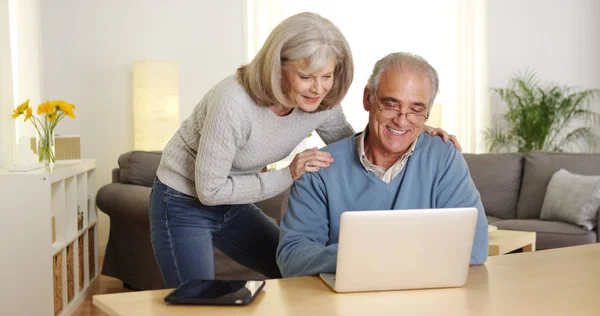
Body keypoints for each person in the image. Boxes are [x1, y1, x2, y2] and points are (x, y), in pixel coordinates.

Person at [149, 12, 459, 288]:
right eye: (306, 76)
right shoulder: (232, 104)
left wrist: (411, 129)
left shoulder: (321, 103)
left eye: (327, 76)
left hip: (235, 198)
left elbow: (353, 147)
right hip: (183, 200)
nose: (319, 88)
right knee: (193, 302)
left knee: (292, 270)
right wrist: (289, 174)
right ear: (277, 67)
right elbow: (210, 191)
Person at [276, 52, 489, 278]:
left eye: (416, 109)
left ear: (427, 112)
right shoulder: (319, 168)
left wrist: (368, 255)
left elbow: (474, 248)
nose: (401, 119)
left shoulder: (444, 157)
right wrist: (385, 253)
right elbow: (293, 258)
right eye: (390, 104)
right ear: (368, 99)